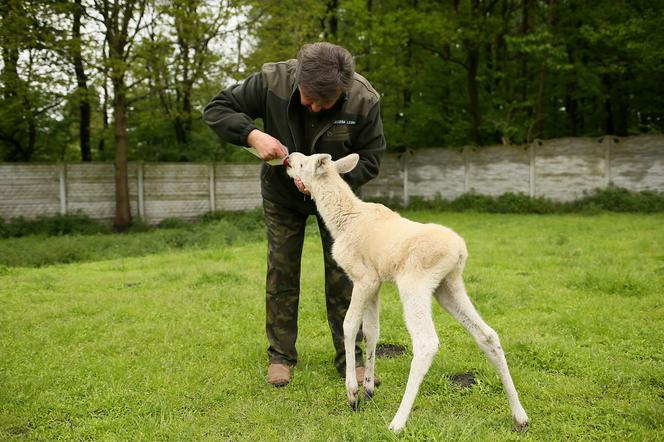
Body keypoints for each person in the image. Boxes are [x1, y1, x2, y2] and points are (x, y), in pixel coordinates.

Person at [203, 42, 386, 387]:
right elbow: (217, 108)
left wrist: (325, 184)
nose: (313, 106)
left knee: (345, 276)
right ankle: (281, 356)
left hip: (338, 204)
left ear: (342, 91)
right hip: (282, 194)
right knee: (282, 270)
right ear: (298, 79)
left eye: (324, 102)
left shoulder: (364, 100)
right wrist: (251, 134)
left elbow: (372, 158)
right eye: (307, 97)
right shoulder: (272, 81)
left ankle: (352, 358)